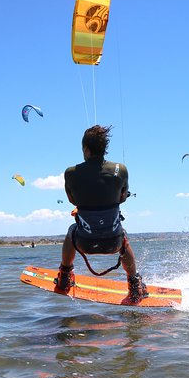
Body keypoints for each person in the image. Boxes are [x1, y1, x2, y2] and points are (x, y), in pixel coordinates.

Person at [55, 125, 148, 304]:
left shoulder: (71, 173)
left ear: (86, 149)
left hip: (83, 242)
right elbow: (122, 198)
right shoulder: (120, 170)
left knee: (71, 229)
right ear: (104, 148)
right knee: (124, 237)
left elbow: (72, 200)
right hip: (113, 242)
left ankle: (65, 276)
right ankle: (134, 285)